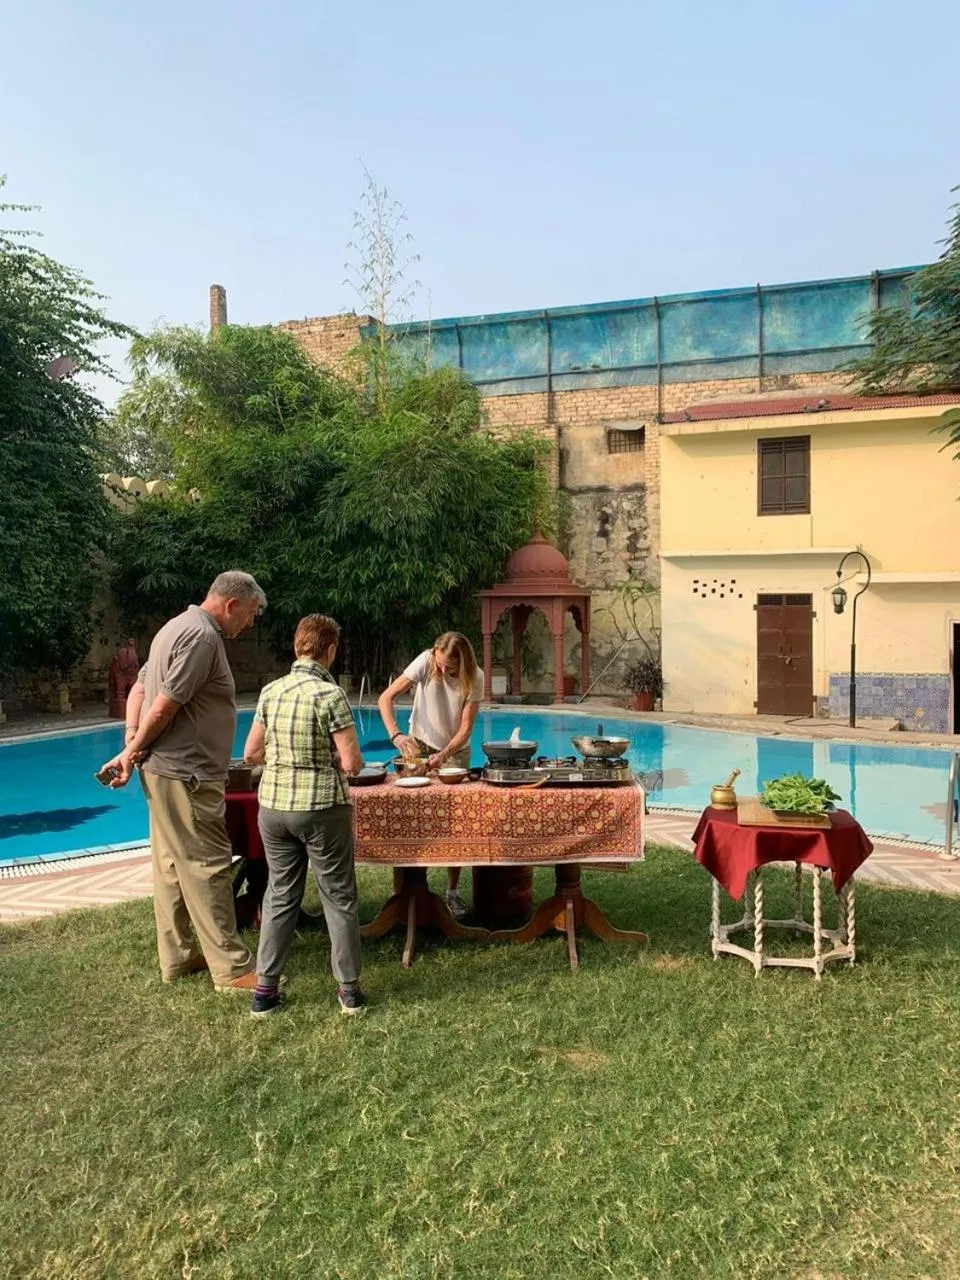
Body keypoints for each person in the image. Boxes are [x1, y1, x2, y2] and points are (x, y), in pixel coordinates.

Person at [98, 570, 267, 992]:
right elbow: (164, 707)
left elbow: (139, 691)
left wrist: (129, 745)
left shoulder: (173, 627)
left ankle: (180, 957)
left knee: (172, 866)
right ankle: (231, 968)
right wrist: (133, 748)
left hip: (165, 770)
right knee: (206, 865)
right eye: (249, 614)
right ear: (231, 604)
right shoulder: (203, 637)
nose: (249, 624)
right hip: (187, 774)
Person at [242, 613, 366, 1018]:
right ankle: (348, 992)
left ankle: (264, 992)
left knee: (279, 894)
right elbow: (352, 764)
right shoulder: (329, 696)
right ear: (329, 651)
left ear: (297, 646)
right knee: (338, 897)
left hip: (274, 808)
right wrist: (326, 756)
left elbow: (250, 754)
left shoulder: (270, 692)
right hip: (320, 809)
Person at [378, 631, 483, 919]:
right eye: (440, 665)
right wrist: (396, 734)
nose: (443, 671)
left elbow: (465, 730)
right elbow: (386, 698)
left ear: (463, 664)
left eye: (450, 668)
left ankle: (452, 892)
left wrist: (445, 754)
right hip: (418, 745)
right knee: (409, 813)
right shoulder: (425, 661)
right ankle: (406, 888)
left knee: (456, 820)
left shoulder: (476, 677)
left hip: (455, 750)